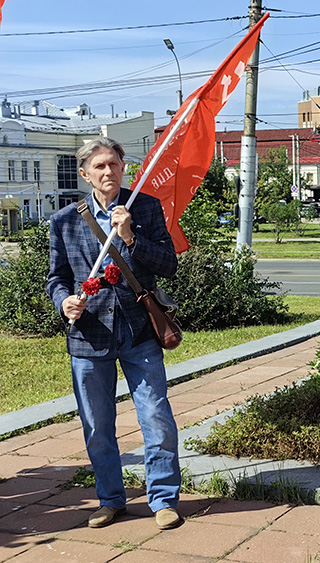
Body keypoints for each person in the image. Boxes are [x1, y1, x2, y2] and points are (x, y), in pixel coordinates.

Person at [47, 137, 183, 530]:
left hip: (139, 330)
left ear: (124, 167)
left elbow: (168, 264)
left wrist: (130, 238)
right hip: (88, 336)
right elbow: (56, 278)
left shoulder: (145, 207)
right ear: (86, 173)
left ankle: (163, 499)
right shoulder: (65, 220)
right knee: (97, 424)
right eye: (100, 166)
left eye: (115, 164)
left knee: (156, 416)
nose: (109, 172)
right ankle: (110, 499)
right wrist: (64, 302)